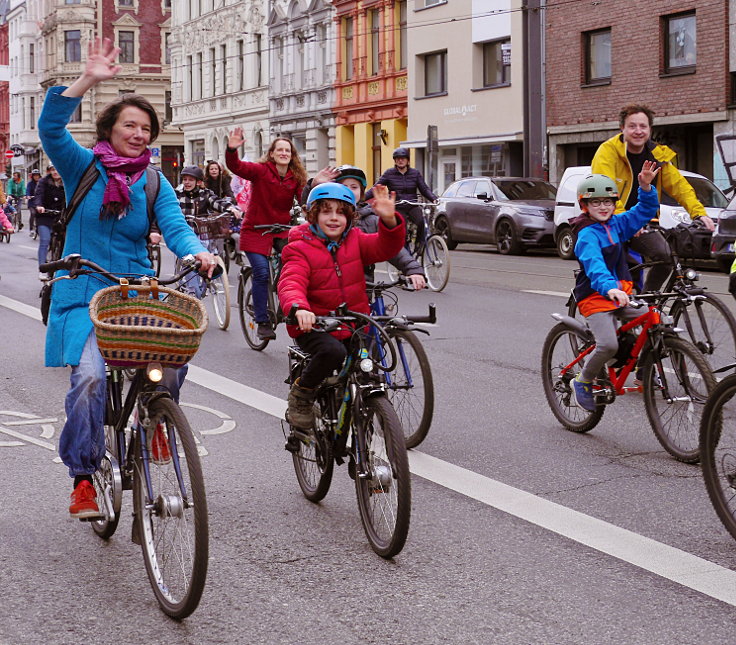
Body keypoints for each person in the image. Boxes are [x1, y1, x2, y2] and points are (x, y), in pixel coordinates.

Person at [39, 37, 216, 520]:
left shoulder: (153, 181)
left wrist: (198, 252)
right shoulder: (83, 168)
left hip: (137, 294)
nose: (139, 134)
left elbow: (175, 227)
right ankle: (82, 477)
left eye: (146, 127)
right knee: (92, 379)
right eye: (129, 126)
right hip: (86, 294)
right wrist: (89, 79)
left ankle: (157, 415)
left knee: (172, 363)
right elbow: (51, 128)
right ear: (110, 129)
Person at [278, 182, 406, 429]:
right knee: (333, 352)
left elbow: (385, 247)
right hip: (314, 326)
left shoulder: (356, 240)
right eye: (326, 211)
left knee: (368, 366)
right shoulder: (300, 247)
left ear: (349, 217)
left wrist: (389, 221)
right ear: (313, 215)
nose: (334, 218)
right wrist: (298, 308)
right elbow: (291, 281)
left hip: (354, 322)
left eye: (340, 212)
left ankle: (366, 416)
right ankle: (302, 394)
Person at [590, 104, 712, 292]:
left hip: (644, 223)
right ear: (622, 128)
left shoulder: (657, 155)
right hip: (612, 221)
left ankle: (649, 303)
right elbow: (606, 189)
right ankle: (613, 308)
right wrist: (626, 221)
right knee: (618, 269)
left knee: (665, 256)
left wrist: (699, 214)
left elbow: (680, 187)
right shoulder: (608, 153)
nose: (638, 131)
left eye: (643, 126)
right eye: (632, 126)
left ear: (650, 129)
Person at [570, 161, 661, 412]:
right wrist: (610, 288)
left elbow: (644, 211)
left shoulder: (617, 224)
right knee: (608, 344)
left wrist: (645, 187)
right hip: (596, 297)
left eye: (608, 201)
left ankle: (645, 364)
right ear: (584, 206)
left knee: (657, 319)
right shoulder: (586, 234)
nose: (603, 207)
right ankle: (583, 380)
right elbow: (595, 266)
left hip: (621, 294)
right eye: (596, 202)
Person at [225, 128, 307, 340]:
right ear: (272, 154)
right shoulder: (261, 171)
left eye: (287, 150)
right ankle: (262, 321)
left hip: (281, 231)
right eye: (279, 150)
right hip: (255, 230)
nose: (283, 153)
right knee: (261, 272)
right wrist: (232, 149)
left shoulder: (296, 176)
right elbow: (236, 166)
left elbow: (306, 200)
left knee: (297, 264)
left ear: (292, 155)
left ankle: (290, 304)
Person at [310, 164, 426, 289]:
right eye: (343, 187)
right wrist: (312, 187)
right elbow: (310, 210)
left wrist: (412, 269)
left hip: (364, 286)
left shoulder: (371, 220)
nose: (348, 191)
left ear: (361, 192)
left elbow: (391, 248)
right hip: (328, 286)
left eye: (354, 187)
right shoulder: (323, 219)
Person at [175, 165, 234, 296]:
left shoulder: (205, 194)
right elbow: (169, 209)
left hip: (203, 233)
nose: (187, 182)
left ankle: (208, 276)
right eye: (185, 179)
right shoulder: (177, 195)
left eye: (191, 180)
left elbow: (217, 202)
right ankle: (192, 290)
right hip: (185, 234)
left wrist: (231, 208)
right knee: (189, 260)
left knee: (211, 251)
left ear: (199, 182)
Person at [365, 147, 438, 248]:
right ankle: (402, 249)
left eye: (403, 158)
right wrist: (361, 198)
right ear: (395, 161)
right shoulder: (389, 173)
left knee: (421, 221)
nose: (400, 160)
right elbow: (376, 188)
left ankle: (419, 243)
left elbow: (424, 189)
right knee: (401, 226)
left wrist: (434, 198)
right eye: (398, 158)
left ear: (407, 160)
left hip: (412, 204)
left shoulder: (415, 173)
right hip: (398, 205)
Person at [34, 165, 65, 280]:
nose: (55, 172)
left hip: (59, 217)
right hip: (44, 216)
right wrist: (39, 205)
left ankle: (61, 268)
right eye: (53, 170)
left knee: (64, 242)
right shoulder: (43, 181)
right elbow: (38, 195)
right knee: (45, 240)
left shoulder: (66, 182)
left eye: (57, 169)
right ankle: (42, 269)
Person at [26, 168, 42, 236]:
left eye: (37, 175)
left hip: (39, 202)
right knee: (33, 213)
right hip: (32, 202)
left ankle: (39, 228)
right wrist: (28, 195)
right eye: (35, 175)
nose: (36, 177)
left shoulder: (42, 183)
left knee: (41, 215)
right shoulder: (30, 184)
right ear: (32, 176)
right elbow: (28, 190)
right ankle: (31, 229)